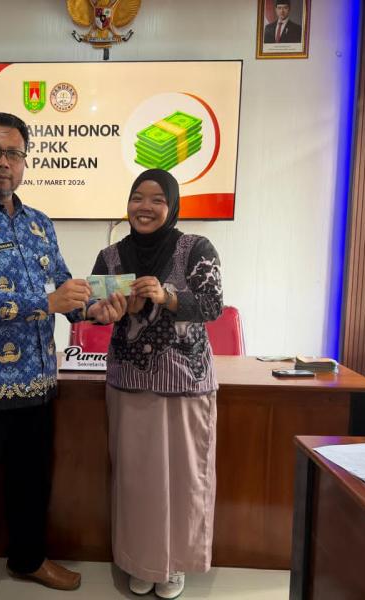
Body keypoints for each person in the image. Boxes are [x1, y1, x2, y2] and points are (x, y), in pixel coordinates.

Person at [0, 112, 120, 600]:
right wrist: (48, 302)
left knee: (31, 483)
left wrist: (97, 309)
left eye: (13, 153)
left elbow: (64, 288)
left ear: (24, 162)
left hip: (37, 382)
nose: (3, 163)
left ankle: (29, 559)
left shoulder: (39, 224)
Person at [90, 169, 223, 599]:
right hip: (130, 382)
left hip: (186, 382)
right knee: (137, 479)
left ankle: (175, 564)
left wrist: (167, 296)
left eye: (157, 200)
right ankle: (140, 561)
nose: (144, 207)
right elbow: (93, 308)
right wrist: (107, 312)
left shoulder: (196, 248)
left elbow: (212, 305)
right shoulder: (110, 257)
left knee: (184, 478)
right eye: (137, 198)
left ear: (172, 206)